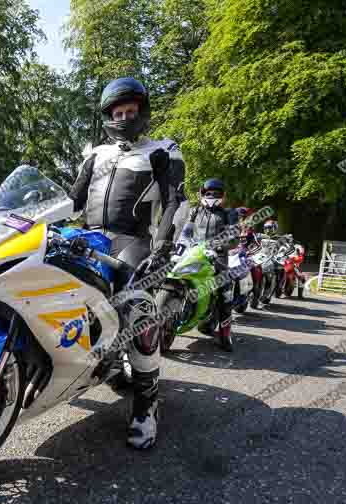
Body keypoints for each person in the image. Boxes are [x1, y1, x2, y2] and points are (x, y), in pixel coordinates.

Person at [69, 77, 185, 450]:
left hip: (132, 240)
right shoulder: (95, 154)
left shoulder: (163, 150)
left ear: (143, 112)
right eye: (117, 113)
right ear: (108, 116)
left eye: (130, 111)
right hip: (89, 236)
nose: (124, 118)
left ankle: (147, 404)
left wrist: (163, 245)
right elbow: (72, 199)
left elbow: (174, 202)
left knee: (136, 308)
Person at [187, 179, 238, 352]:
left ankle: (225, 336)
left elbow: (233, 238)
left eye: (216, 193)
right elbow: (186, 231)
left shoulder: (229, 214)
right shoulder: (194, 211)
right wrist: (179, 244)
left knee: (225, 291)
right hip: (194, 254)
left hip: (218, 257)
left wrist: (219, 246)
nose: (211, 195)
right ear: (202, 194)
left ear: (222, 195)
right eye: (208, 193)